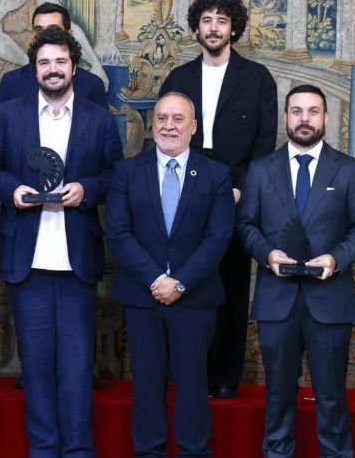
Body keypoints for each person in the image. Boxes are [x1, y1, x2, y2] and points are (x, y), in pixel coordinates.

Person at [0, 27, 122, 458]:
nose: (53, 69)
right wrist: (12, 190)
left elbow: (116, 175)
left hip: (76, 258)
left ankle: (78, 451)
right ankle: (43, 450)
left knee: (78, 367)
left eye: (60, 62)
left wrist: (87, 190)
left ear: (74, 67)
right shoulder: (10, 113)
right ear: (34, 69)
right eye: (44, 62)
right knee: (36, 366)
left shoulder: (99, 118)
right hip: (28, 259)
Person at [238, 84, 355, 458]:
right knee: (278, 395)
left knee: (331, 396)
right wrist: (267, 255)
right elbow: (245, 225)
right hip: (276, 301)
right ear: (285, 117)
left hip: (328, 300)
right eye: (296, 111)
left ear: (327, 118)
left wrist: (335, 258)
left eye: (313, 111)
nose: (304, 119)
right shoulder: (261, 169)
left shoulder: (349, 170)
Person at [159, 0, 277, 399]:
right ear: (196, 26)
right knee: (188, 281)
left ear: (233, 28)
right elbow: (166, 135)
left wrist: (242, 187)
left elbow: (264, 143)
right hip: (187, 194)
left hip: (235, 195)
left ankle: (226, 376)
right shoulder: (179, 78)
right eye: (206, 20)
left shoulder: (257, 79)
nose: (213, 27)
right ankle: (188, 374)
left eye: (221, 21)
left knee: (229, 285)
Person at [104, 92, 234, 457]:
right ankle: (149, 451)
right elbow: (118, 232)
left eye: (178, 119)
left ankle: (194, 451)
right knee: (146, 383)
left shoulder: (216, 175)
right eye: (161, 118)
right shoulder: (127, 172)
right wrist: (155, 280)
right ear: (152, 124)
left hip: (195, 299)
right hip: (142, 297)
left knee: (193, 384)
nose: (168, 126)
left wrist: (180, 283)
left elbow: (218, 237)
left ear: (193, 127)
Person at [0, 3, 109, 108]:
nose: (46, 36)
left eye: (53, 29)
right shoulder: (11, 82)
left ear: (69, 34)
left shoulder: (92, 85)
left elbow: (101, 129)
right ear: (33, 35)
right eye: (39, 30)